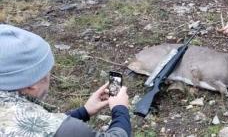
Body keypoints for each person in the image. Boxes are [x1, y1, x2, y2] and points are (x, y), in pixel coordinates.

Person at [0, 24, 131, 137]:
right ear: (32, 84)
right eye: (47, 71)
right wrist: (120, 109)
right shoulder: (68, 131)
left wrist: (84, 111)